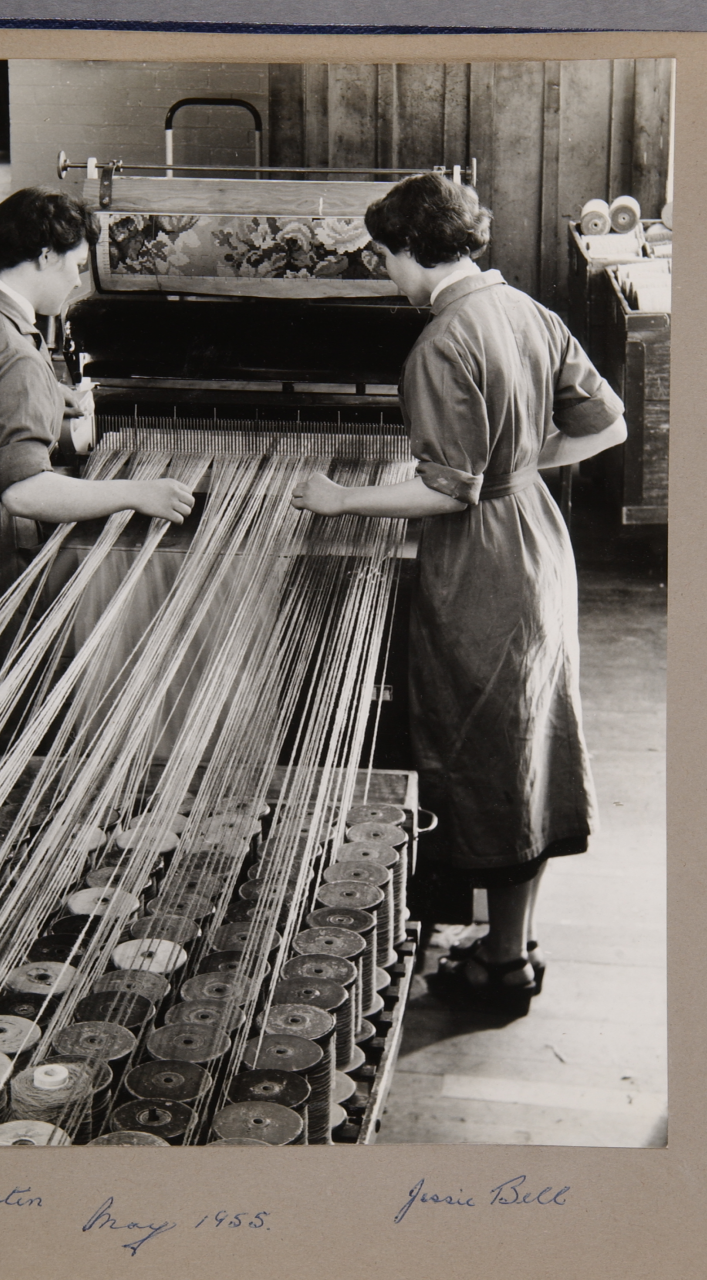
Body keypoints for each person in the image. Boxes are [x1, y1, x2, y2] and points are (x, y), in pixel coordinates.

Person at [291, 173, 627, 1016]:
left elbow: (448, 491)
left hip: (481, 565)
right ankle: (510, 945)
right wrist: (515, 469)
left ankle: (502, 969)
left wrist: (344, 500)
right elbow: (607, 422)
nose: (386, 274)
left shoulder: (442, 342)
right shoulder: (526, 311)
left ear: (409, 251)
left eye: (384, 258)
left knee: (486, 753)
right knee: (526, 748)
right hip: (538, 545)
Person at [0, 187, 193, 733]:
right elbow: (25, 490)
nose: (78, 280)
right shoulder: (15, 356)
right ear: (44, 256)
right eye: (75, 264)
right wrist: (139, 491)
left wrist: (46, 394)